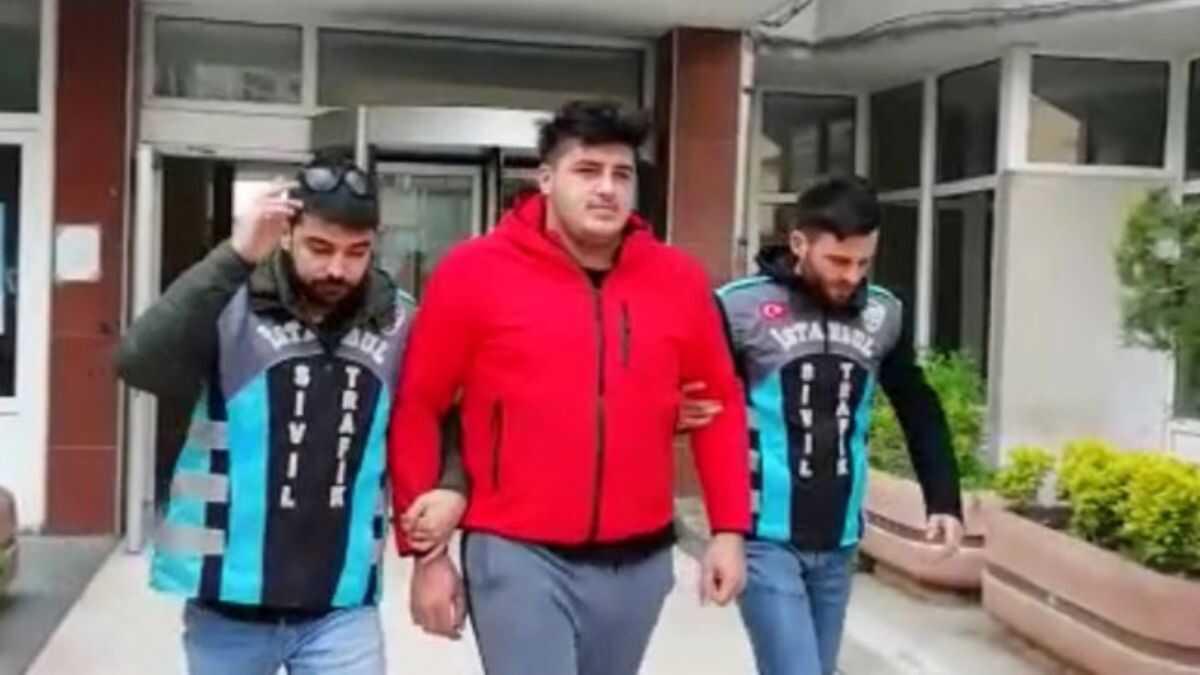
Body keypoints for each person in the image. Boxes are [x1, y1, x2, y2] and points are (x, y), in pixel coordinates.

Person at [387, 100, 752, 675]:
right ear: (546, 179)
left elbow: (721, 405)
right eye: (587, 171)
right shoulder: (473, 272)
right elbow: (419, 406)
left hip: (639, 559)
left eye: (621, 174)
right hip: (515, 552)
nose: (607, 188)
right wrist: (426, 555)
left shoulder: (677, 280)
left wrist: (729, 530)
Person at [115, 158, 464, 675]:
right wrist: (236, 255)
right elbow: (139, 363)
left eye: (357, 252)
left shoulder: (400, 320)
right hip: (227, 605)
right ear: (286, 234)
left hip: (341, 607)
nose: (337, 269)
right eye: (319, 248)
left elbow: (447, 415)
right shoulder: (228, 304)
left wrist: (452, 488)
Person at [716, 176, 964, 675]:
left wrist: (943, 499)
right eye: (837, 261)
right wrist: (724, 531)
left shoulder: (884, 313)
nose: (851, 276)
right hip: (764, 537)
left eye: (863, 263)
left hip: (840, 542)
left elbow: (917, 405)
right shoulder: (738, 308)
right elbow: (701, 407)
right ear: (799, 243)